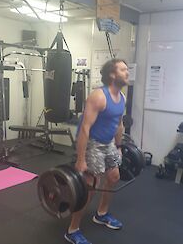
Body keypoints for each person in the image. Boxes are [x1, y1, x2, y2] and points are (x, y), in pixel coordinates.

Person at [64, 58, 129, 244]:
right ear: (112, 75)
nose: (127, 73)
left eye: (127, 70)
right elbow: (84, 128)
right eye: (123, 70)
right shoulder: (99, 96)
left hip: (108, 143)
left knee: (114, 177)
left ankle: (101, 214)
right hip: (92, 142)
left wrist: (118, 146)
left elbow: (119, 124)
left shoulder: (122, 97)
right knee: (91, 186)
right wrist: (81, 159)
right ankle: (73, 229)